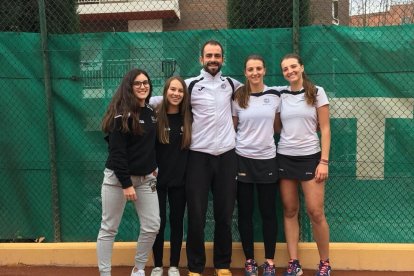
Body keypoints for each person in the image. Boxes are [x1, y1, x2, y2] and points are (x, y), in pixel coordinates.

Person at [184, 40, 241, 276]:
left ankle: (222, 265)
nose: (213, 59)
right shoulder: (189, 85)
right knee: (196, 215)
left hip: (227, 156)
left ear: (223, 59)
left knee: (224, 214)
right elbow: (166, 101)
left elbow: (257, 94)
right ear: (201, 59)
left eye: (217, 55)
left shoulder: (232, 84)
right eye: (209, 55)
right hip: (198, 157)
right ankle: (196, 266)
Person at [97, 68, 160, 276]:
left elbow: (149, 145)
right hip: (117, 179)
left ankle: (138, 269)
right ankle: (105, 273)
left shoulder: (151, 113)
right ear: (129, 87)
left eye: (146, 83)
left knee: (152, 226)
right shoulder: (121, 115)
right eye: (138, 83)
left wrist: (153, 166)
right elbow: (117, 153)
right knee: (109, 228)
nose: (143, 86)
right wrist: (126, 184)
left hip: (146, 180)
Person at [275, 54, 331, 276]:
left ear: (301, 67)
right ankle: (294, 263)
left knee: (315, 211)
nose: (290, 71)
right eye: (285, 68)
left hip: (311, 158)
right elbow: (278, 126)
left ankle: (324, 263)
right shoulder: (280, 94)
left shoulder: (317, 92)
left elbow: (325, 129)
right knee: (290, 210)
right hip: (285, 158)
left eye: (293, 67)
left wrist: (323, 161)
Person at [232, 55, 280, 276]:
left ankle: (269, 262)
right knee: (245, 212)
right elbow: (233, 127)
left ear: (265, 70)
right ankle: (250, 261)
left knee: (268, 211)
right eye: (250, 69)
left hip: (268, 159)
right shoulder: (238, 97)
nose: (255, 73)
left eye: (258, 68)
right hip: (242, 158)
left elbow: (278, 126)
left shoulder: (275, 95)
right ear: (245, 72)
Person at [150, 76, 192, 276]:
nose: (176, 94)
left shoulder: (188, 117)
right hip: (157, 181)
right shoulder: (156, 117)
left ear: (184, 95)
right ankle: (158, 264)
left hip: (180, 181)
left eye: (180, 91)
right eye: (172, 90)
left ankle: (174, 265)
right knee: (157, 223)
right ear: (165, 92)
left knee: (177, 222)